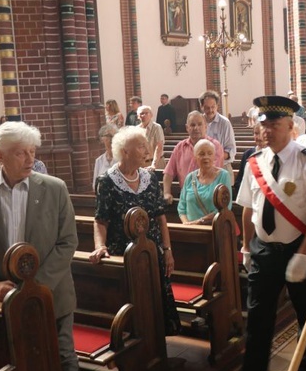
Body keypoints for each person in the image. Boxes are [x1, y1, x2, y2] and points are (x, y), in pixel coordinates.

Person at [0, 121, 87, 371]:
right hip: (4, 299)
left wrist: (36, 287)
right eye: (20, 153)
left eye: (32, 152)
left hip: (52, 296)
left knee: (64, 358)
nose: (30, 160)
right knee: (15, 362)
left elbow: (67, 242)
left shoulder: (54, 189)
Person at [230, 96, 306, 371]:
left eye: (274, 124)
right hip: (263, 252)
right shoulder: (254, 161)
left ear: (291, 126)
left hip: (298, 249)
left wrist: (304, 253)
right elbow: (249, 209)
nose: (267, 130)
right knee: (258, 321)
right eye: (264, 124)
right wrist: (247, 247)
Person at [89, 126, 181, 334]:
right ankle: (139, 354)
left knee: (156, 302)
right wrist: (100, 246)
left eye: (146, 145)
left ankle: (158, 353)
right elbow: (101, 220)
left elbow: (160, 217)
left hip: (153, 253)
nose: (147, 150)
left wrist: (167, 250)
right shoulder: (107, 182)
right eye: (141, 146)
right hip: (125, 255)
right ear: (125, 151)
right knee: (135, 307)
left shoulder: (150, 180)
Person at [163, 111, 225, 204]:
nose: (196, 128)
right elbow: (169, 173)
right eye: (192, 125)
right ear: (187, 128)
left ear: (206, 126)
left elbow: (212, 173)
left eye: (200, 124)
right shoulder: (180, 147)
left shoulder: (214, 146)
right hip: (186, 198)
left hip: (208, 198)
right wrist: (166, 193)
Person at [178, 139, 232, 225]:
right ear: (195, 157)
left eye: (209, 153)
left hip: (214, 229)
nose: (206, 157)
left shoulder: (223, 176)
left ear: (214, 156)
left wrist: (198, 222)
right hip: (190, 230)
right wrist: (187, 225)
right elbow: (181, 207)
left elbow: (225, 207)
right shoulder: (189, 178)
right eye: (201, 154)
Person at [198, 90, 236, 176]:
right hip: (202, 170)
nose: (210, 110)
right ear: (201, 107)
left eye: (213, 107)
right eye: (207, 107)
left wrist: (212, 159)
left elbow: (231, 150)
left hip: (222, 168)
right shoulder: (199, 122)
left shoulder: (225, 123)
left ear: (217, 106)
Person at [234, 122, 265, 200]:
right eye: (256, 133)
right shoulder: (247, 154)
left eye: (261, 133)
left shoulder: (272, 154)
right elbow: (239, 180)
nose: (259, 137)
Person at [92, 124, 118, 190]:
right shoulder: (99, 161)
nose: (112, 138)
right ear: (101, 139)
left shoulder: (123, 159)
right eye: (108, 136)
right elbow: (95, 185)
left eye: (114, 135)